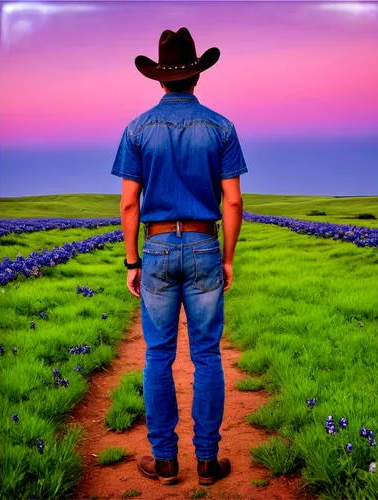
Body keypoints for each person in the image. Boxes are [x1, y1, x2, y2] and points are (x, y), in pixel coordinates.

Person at [110, 27, 248, 486]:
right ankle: (207, 462)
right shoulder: (221, 127)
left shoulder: (136, 128)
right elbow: (232, 201)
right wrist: (226, 258)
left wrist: (133, 261)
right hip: (206, 243)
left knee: (157, 355)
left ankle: (164, 461)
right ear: (197, 77)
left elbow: (129, 203)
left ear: (159, 80)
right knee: (207, 355)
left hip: (157, 247)